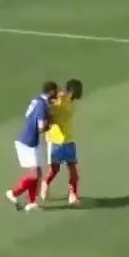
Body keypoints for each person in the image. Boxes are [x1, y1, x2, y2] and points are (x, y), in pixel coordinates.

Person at [5, 81, 56, 211]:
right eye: (55, 91)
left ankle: (31, 202)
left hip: (30, 141)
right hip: (28, 143)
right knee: (34, 174)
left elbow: (28, 115)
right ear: (51, 92)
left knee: (37, 173)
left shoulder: (37, 100)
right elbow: (40, 128)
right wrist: (50, 122)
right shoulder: (42, 105)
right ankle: (14, 193)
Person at [41, 78, 83, 206]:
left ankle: (73, 195)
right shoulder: (57, 99)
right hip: (55, 141)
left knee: (73, 170)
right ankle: (44, 184)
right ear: (70, 90)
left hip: (68, 140)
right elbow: (46, 108)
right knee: (54, 170)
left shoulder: (70, 102)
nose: (78, 93)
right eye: (76, 90)